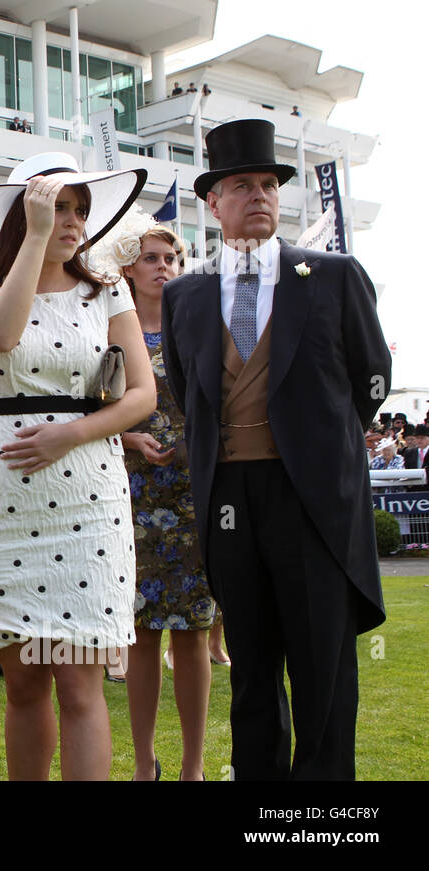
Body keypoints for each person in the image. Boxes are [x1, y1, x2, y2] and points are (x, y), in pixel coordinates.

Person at [161, 119, 390, 779]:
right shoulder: (186, 294)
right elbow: (189, 389)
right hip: (229, 499)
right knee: (252, 668)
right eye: (241, 185)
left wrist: (313, 445)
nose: (258, 195)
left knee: (322, 667)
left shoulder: (336, 277)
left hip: (311, 499)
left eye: (268, 184)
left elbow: (366, 381)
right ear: (214, 201)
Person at [0, 151, 154, 780]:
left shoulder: (107, 289)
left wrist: (70, 435)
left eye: (79, 210)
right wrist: (34, 241)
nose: (73, 222)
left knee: (81, 685)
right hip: (4, 495)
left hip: (88, 496)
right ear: (23, 214)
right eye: (58, 207)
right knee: (23, 686)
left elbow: (141, 394)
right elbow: (2, 337)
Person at [93, 208, 215, 780]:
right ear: (129, 268)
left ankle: (192, 768)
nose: (163, 266)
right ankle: (144, 764)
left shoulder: (200, 326)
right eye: (151, 258)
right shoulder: (108, 327)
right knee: (139, 637)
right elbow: (87, 404)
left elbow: (222, 402)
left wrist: (193, 442)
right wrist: (126, 433)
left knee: (192, 636)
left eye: (171, 258)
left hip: (193, 494)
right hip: (127, 492)